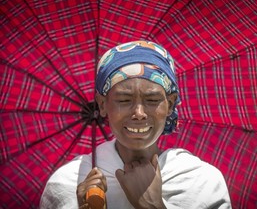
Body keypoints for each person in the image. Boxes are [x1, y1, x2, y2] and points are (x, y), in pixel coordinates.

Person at [40, 40, 232, 209]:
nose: (139, 113)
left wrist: (152, 205)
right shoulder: (68, 182)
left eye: (152, 99)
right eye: (124, 100)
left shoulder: (200, 182)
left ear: (170, 104)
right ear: (102, 104)